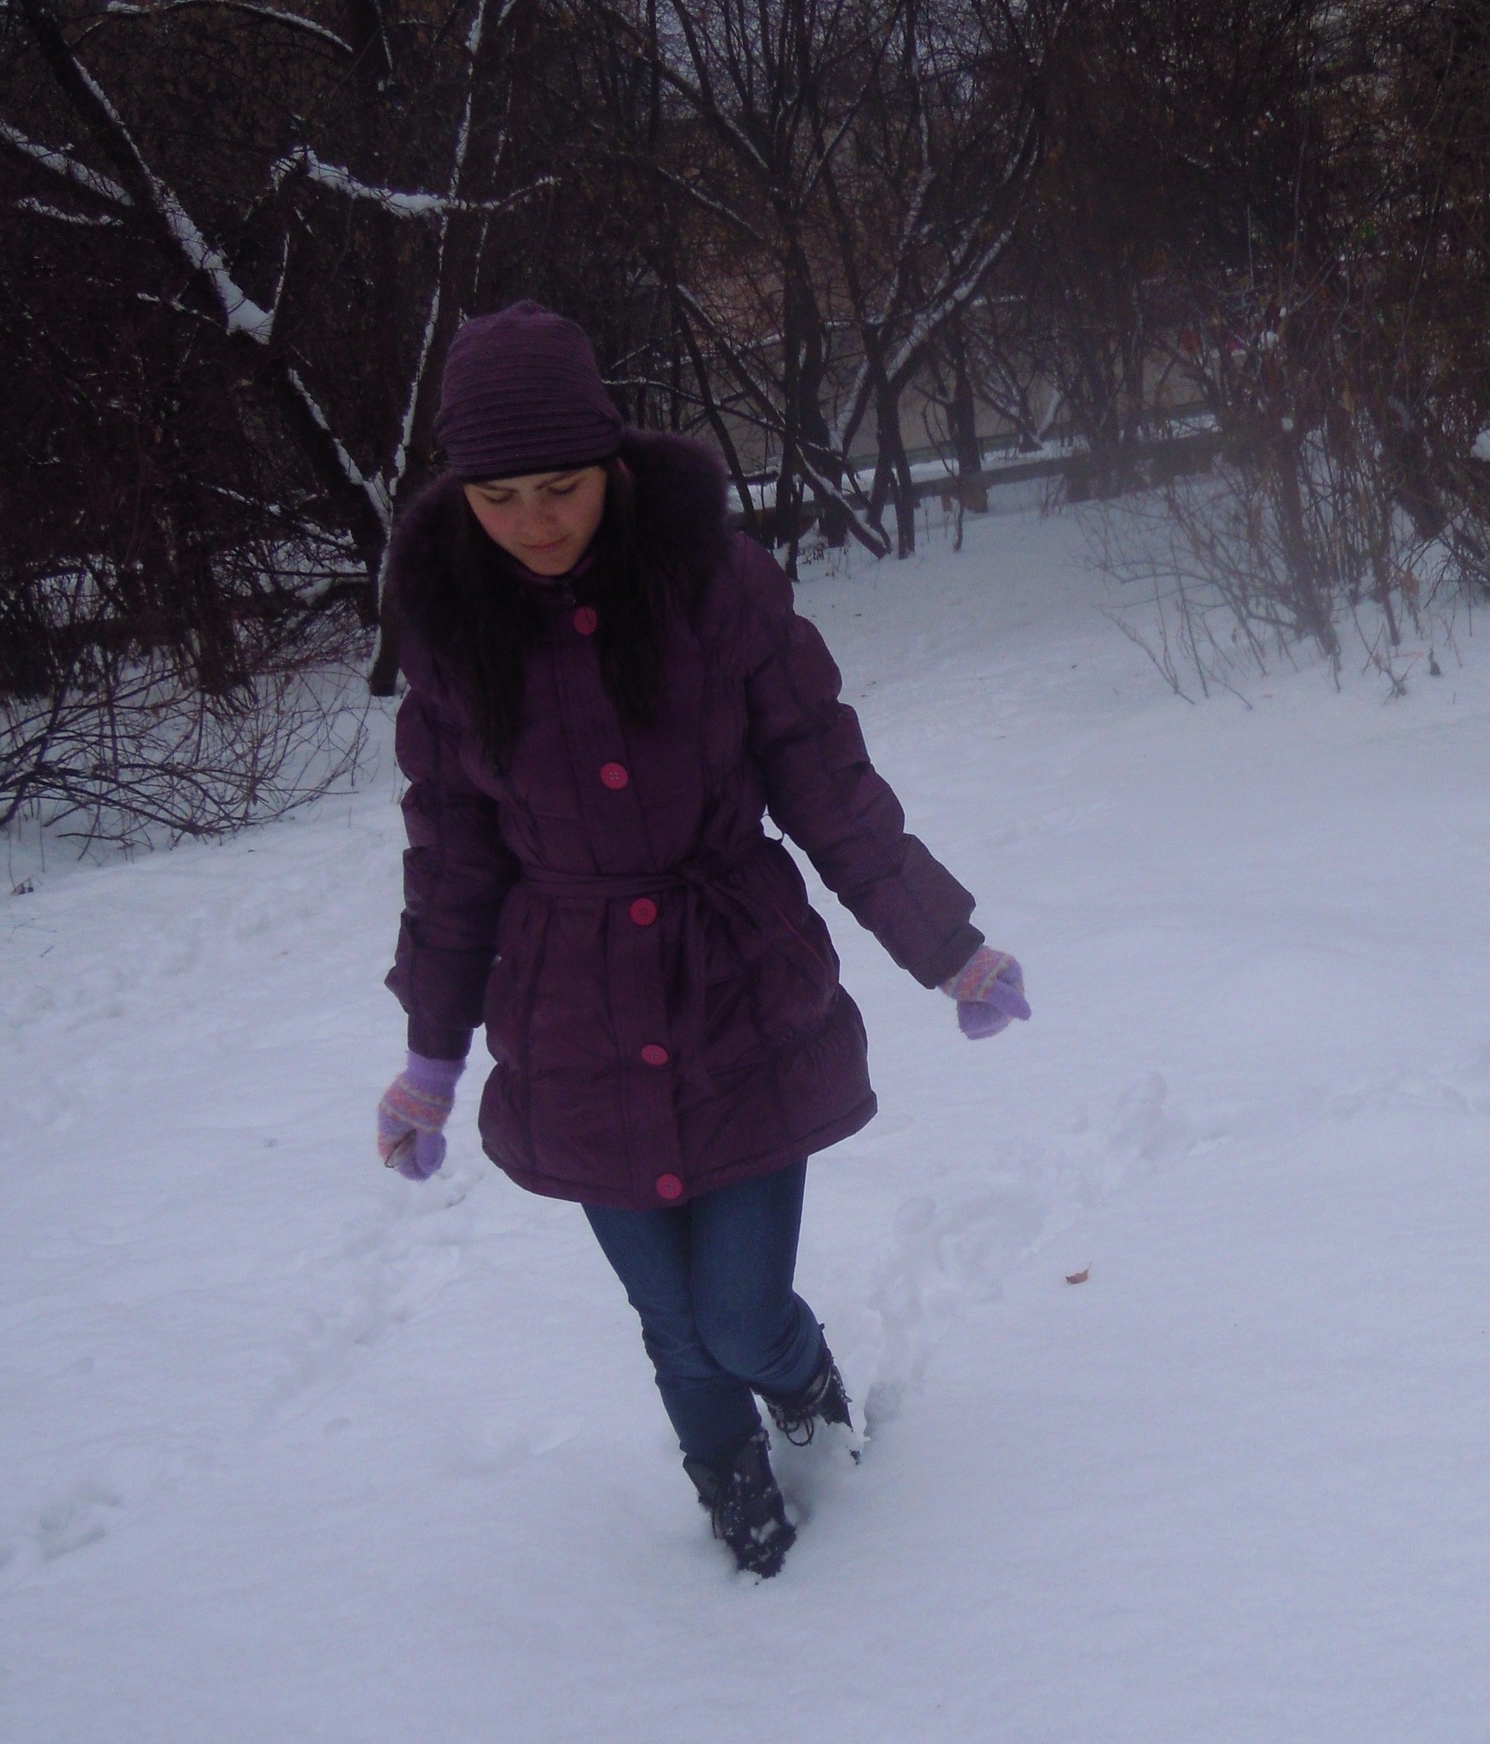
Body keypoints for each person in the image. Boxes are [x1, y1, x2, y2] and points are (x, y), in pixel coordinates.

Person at [373, 302, 1028, 1578]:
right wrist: (429, 1063)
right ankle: (728, 1478)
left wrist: (946, 945)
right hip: (572, 1019)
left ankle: (801, 1376)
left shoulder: (712, 584)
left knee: (736, 1312)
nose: (534, 522)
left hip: (735, 989)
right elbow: (450, 861)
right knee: (670, 1322)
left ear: (611, 462)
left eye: (560, 488)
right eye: (499, 498)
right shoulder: (452, 630)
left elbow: (824, 780)